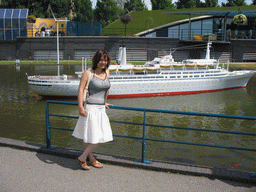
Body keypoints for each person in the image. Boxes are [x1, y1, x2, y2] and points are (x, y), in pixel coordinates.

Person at [72, 50, 113, 170]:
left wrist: (104, 101)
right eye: (101, 60)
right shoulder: (88, 73)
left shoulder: (107, 72)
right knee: (95, 136)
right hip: (90, 108)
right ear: (96, 60)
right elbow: (80, 90)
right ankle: (83, 158)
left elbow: (106, 89)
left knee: (93, 135)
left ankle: (89, 159)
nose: (103, 62)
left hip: (101, 109)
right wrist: (80, 107)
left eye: (105, 60)